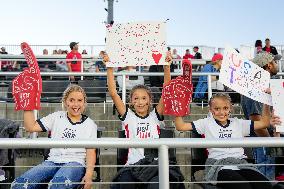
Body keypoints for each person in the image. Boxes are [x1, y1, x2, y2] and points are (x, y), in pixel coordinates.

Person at [102, 52, 184, 189]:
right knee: (125, 185)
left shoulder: (155, 116)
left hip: (155, 165)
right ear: (131, 102)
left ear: (150, 100)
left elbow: (167, 91)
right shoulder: (128, 116)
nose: (140, 102)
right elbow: (113, 93)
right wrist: (109, 67)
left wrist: (166, 67)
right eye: (136, 99)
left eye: (144, 98)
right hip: (133, 166)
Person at [175, 93, 280, 189]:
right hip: (219, 165)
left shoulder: (239, 123)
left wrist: (267, 99)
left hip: (241, 163)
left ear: (230, 108)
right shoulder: (206, 123)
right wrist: (177, 106)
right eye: (217, 109)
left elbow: (264, 123)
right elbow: (181, 126)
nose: (221, 112)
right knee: (244, 187)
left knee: (265, 186)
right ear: (210, 110)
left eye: (225, 108)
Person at [11, 85, 97, 189]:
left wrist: (88, 175)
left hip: (75, 163)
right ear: (65, 102)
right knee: (19, 184)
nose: (76, 104)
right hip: (52, 161)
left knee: (58, 184)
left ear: (84, 102)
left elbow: (91, 152)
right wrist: (28, 103)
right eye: (71, 100)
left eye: (79, 100)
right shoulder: (56, 117)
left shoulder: (90, 124)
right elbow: (31, 127)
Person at [241, 52, 282, 180]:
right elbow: (256, 124)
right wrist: (271, 143)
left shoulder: (258, 86)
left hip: (265, 141)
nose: (276, 64)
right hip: (263, 142)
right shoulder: (256, 89)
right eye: (274, 62)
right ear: (269, 65)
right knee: (266, 180)